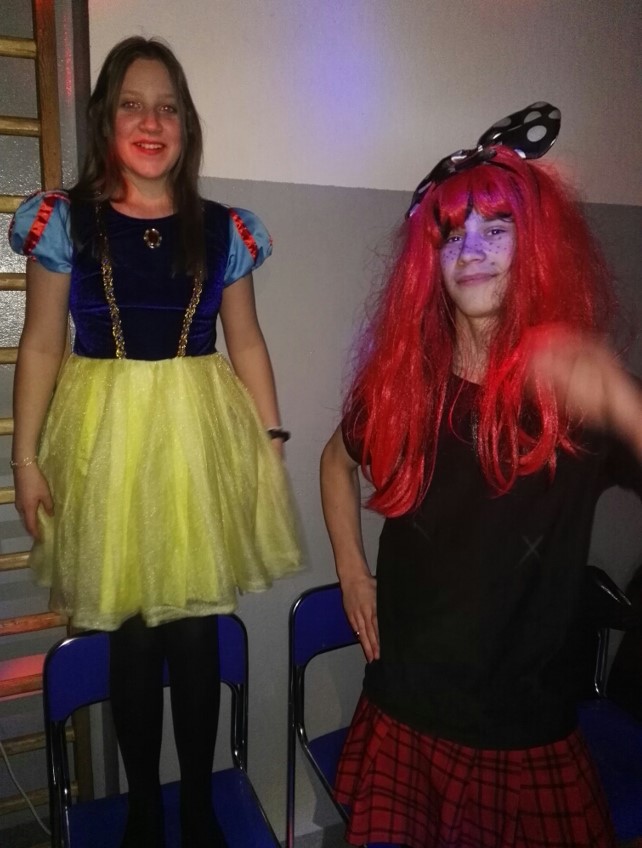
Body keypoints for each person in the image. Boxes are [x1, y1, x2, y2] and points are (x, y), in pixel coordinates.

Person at [320, 103, 642, 848]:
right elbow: (335, 461)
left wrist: (618, 398)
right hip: (404, 713)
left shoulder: (573, 392)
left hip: (523, 735)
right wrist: (352, 572)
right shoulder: (402, 386)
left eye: (497, 228)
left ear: (537, 247)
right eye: (452, 233)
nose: (471, 248)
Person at [9, 36, 301, 848]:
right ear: (106, 118)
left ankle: (198, 808)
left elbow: (246, 340)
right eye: (133, 105)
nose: (150, 121)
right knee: (132, 635)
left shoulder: (221, 229)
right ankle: (143, 810)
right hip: (105, 442)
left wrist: (268, 438)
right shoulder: (68, 223)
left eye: (167, 107)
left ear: (186, 125)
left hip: (195, 440)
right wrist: (25, 458)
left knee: (198, 631)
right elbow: (42, 344)